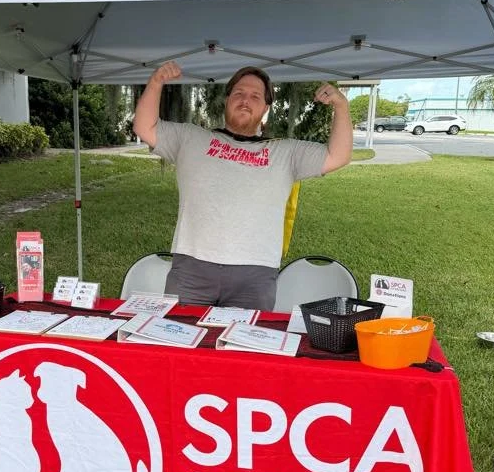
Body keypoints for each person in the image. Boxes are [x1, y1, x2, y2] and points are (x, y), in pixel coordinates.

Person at [132, 62, 352, 310]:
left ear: (266, 107)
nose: (245, 100)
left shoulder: (285, 151)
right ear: (226, 100)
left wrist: (341, 106)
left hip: (255, 275)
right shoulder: (190, 138)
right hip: (191, 268)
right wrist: (156, 82)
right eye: (238, 93)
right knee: (181, 341)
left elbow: (338, 155)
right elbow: (144, 127)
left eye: (255, 96)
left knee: (244, 346)